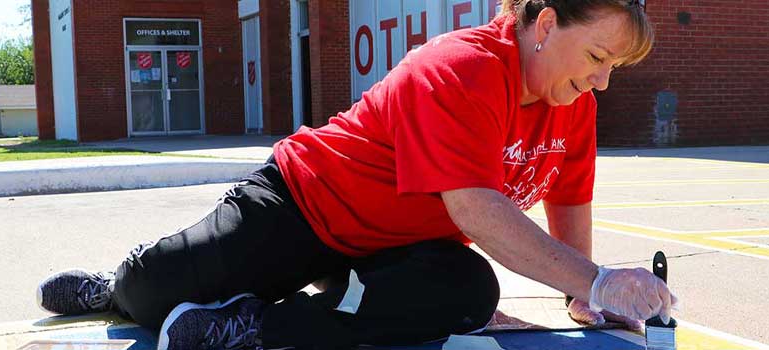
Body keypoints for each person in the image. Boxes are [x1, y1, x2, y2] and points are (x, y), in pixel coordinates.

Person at [36, 0, 677, 349]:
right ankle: (113, 284)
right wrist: (597, 281)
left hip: (389, 249)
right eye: (596, 56)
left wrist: (591, 298)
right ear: (544, 24)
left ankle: (254, 328)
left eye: (613, 68)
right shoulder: (463, 68)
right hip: (305, 204)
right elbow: (477, 209)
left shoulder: (575, 107)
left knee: (468, 295)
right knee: (153, 298)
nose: (600, 80)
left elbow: (568, 208)